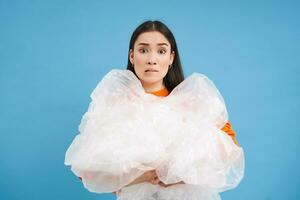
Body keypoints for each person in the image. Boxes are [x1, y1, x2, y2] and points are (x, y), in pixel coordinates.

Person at [65, 20, 244, 200]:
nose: (152, 59)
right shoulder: (115, 106)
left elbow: (229, 150)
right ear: (132, 56)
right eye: (143, 50)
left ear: (171, 58)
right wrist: (140, 177)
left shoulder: (192, 102)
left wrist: (178, 175)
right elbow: (85, 169)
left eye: (161, 51)